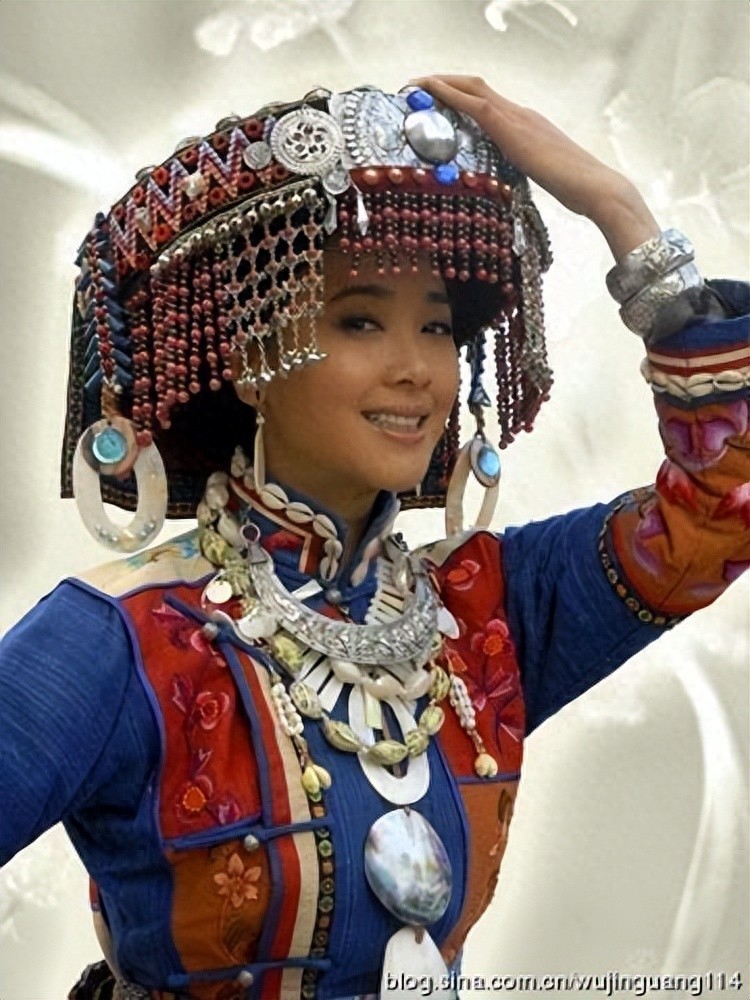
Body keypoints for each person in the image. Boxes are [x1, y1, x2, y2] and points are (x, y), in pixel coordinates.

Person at [0, 78, 747, 1000]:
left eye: (436, 328)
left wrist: (619, 211)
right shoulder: (124, 640)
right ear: (251, 360)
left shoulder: (486, 612)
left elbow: (722, 505)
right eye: (360, 320)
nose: (415, 369)